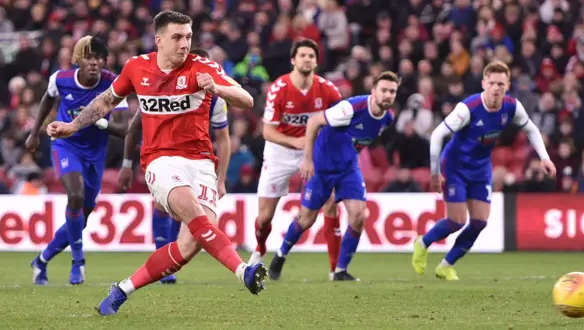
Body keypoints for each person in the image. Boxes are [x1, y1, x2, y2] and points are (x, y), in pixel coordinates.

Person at [46, 11, 266, 315]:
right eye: (177, 37)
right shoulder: (137, 67)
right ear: (159, 40)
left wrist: (217, 88)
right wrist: (72, 127)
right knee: (192, 211)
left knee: (191, 244)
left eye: (188, 37)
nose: (184, 44)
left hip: (201, 162)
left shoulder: (202, 67)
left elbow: (247, 99)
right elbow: (105, 102)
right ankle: (244, 271)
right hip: (159, 160)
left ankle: (123, 289)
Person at [412, 61, 557, 280]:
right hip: (455, 167)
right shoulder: (467, 109)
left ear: (508, 85)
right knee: (457, 221)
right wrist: (434, 173)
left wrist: (544, 158)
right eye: (492, 83)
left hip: (480, 169)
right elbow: (437, 134)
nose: (496, 88)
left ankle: (446, 265)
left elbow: (531, 129)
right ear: (483, 83)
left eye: (501, 83)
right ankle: (423, 242)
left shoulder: (511, 106)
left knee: (480, 221)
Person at [268, 71, 399, 281]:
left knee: (358, 216)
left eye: (392, 91)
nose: (388, 95)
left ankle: (340, 271)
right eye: (384, 90)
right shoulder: (351, 108)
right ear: (373, 91)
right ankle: (281, 255)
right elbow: (314, 123)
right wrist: (308, 160)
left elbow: (357, 140)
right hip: (321, 167)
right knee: (306, 219)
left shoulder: (388, 119)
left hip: (348, 168)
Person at [117, 48, 230, 285]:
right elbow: (133, 129)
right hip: (161, 155)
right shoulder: (163, 90)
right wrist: (127, 164)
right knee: (165, 202)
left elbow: (223, 139)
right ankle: (162, 250)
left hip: (195, 157)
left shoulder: (216, 99)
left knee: (194, 222)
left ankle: (163, 262)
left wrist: (221, 179)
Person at [26, 35, 128, 285]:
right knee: (75, 196)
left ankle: (42, 260)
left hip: (95, 154)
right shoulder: (60, 79)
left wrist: (96, 119)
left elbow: (123, 128)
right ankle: (78, 261)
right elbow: (48, 97)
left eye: (99, 58)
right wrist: (34, 132)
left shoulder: (114, 84)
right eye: (89, 57)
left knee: (82, 214)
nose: (94, 63)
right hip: (66, 145)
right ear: (78, 60)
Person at [251, 38, 344, 280]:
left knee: (330, 203)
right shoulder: (279, 89)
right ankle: (260, 247)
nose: (307, 59)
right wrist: (298, 143)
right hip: (281, 150)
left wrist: (318, 148)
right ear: (293, 60)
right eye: (302, 55)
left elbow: (342, 121)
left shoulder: (328, 90)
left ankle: (336, 269)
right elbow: (267, 131)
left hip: (314, 152)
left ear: (316, 61)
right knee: (264, 217)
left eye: (311, 56)